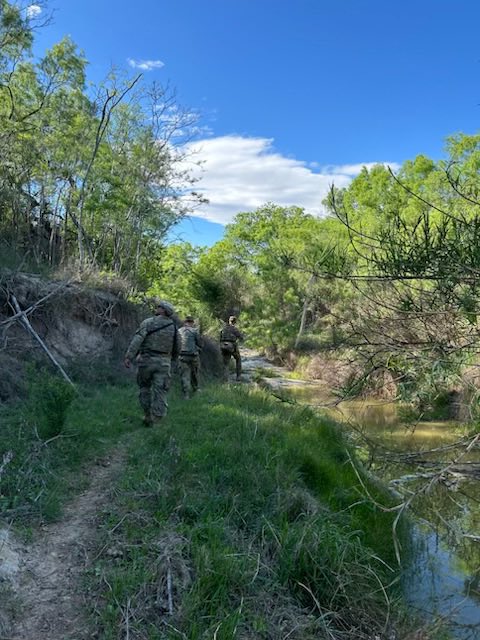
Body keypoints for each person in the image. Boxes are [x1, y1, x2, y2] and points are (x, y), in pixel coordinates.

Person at [124, 299, 179, 426]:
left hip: (146, 361)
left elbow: (137, 340)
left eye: (159, 307)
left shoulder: (148, 322)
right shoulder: (174, 328)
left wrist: (129, 356)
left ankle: (147, 415)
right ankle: (157, 419)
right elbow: (178, 346)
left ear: (163, 310)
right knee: (160, 391)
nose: (156, 308)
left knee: (144, 388)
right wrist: (173, 359)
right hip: (164, 363)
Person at [178, 315, 203, 399]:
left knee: (185, 376)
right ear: (192, 323)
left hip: (182, 356)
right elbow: (200, 344)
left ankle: (186, 395)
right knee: (195, 374)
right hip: (193, 356)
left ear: (184, 322)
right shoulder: (194, 331)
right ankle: (196, 390)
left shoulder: (179, 331)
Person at [220, 315, 244, 382]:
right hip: (231, 346)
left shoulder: (223, 328)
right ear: (235, 322)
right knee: (238, 359)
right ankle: (238, 377)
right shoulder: (234, 329)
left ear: (229, 321)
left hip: (223, 346)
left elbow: (220, 338)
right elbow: (241, 337)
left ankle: (225, 379)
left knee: (225, 363)